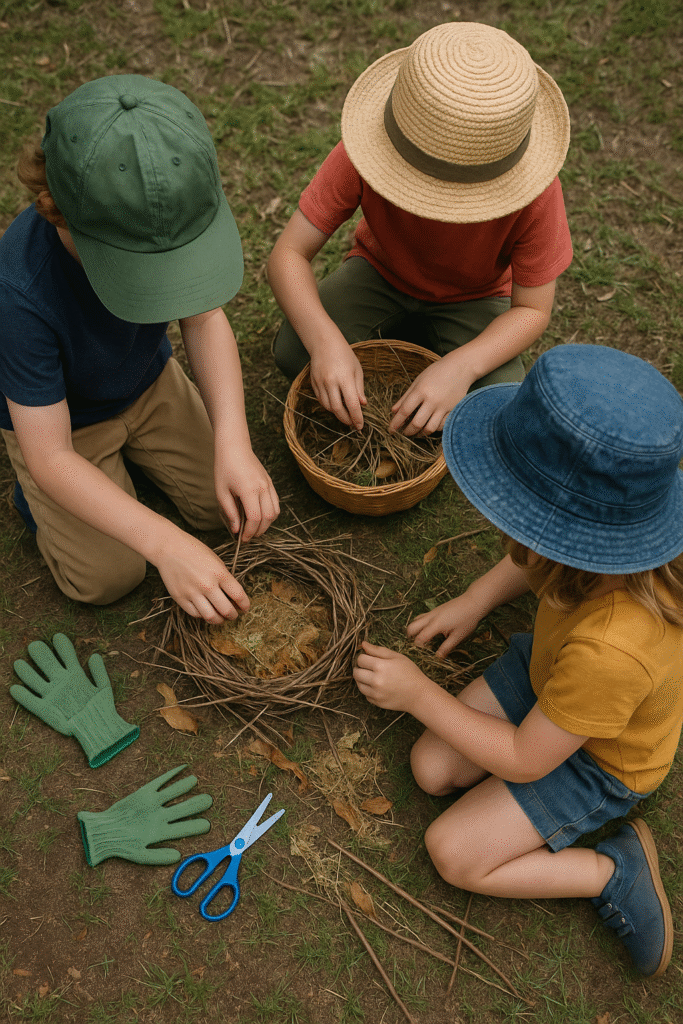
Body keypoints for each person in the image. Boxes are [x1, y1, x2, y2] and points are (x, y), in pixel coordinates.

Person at [353, 343, 683, 978]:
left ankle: (612, 871)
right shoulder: (609, 539)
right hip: (554, 676)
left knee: (453, 852)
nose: (503, 522)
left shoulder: (613, 649)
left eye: (518, 512)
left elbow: (528, 759)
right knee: (431, 768)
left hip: (598, 756)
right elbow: (542, 551)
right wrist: (477, 599)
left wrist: (421, 694)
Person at [0, 75, 279, 624]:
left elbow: (204, 318)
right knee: (109, 576)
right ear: (57, 209)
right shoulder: (17, 295)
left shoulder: (166, 210)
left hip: (149, 385)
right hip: (64, 429)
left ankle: (129, 475)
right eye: (137, 268)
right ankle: (35, 502)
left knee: (222, 509)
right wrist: (164, 545)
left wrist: (234, 441)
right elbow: (52, 457)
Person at [268, 21, 572, 435]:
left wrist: (462, 367)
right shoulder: (365, 151)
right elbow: (287, 254)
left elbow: (532, 310)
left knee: (499, 409)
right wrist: (325, 342)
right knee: (293, 353)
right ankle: (410, 339)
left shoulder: (537, 193)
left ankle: (429, 348)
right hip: (380, 272)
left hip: (476, 298)